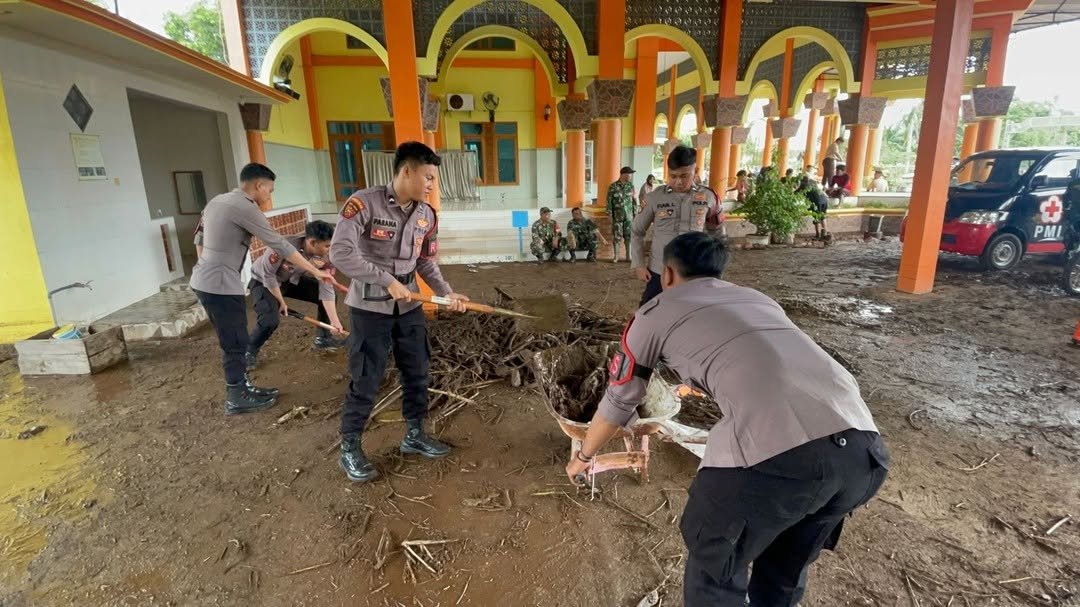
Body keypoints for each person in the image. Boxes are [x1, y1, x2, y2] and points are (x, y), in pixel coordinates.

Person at [566, 232, 888, 607]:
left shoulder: (653, 313)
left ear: (667, 274)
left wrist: (584, 456)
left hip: (778, 457)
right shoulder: (758, 299)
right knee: (783, 572)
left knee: (715, 568)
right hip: (863, 452)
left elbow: (622, 397)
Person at [329, 141, 470, 483]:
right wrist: (385, 279)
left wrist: (446, 294)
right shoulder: (363, 203)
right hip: (370, 308)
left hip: (409, 306)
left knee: (417, 370)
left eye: (434, 179)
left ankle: (415, 434)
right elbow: (339, 253)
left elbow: (425, 261)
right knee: (367, 376)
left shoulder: (426, 214)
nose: (432, 185)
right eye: (428, 177)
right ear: (406, 170)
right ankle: (349, 447)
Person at [190, 163, 332, 415]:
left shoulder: (216, 202)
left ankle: (243, 386)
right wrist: (315, 271)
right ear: (258, 185)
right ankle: (236, 396)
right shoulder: (245, 206)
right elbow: (279, 244)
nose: (269, 195)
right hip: (220, 284)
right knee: (235, 341)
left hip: (209, 279)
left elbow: (199, 239)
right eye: (270, 189)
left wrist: (205, 267)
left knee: (236, 337)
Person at [245, 220, 346, 370]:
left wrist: (334, 322)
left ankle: (323, 338)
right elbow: (268, 276)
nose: (328, 250)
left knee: (322, 294)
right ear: (312, 242)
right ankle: (248, 352)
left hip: (290, 281)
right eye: (326, 246)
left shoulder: (325, 255)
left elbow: (326, 286)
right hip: (263, 281)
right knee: (269, 320)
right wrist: (280, 301)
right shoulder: (283, 246)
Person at [631, 145, 723, 305]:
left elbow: (717, 232)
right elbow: (637, 231)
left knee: (692, 312)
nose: (678, 181)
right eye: (673, 176)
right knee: (648, 311)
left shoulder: (709, 197)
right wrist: (639, 264)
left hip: (695, 271)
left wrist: (715, 265)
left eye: (684, 175)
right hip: (660, 271)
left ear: (696, 170)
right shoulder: (654, 198)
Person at [607, 166, 637, 262]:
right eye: (629, 174)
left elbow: (634, 200)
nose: (631, 176)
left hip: (628, 216)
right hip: (617, 216)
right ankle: (616, 256)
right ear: (623, 174)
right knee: (617, 236)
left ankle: (628, 256)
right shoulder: (613, 186)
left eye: (631, 174)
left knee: (629, 236)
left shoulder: (631, 186)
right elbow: (609, 201)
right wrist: (609, 214)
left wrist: (635, 213)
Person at [799, 175, 831, 242]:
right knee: (822, 216)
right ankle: (825, 232)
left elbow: (797, 192)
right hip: (824, 199)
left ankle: (818, 234)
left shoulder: (803, 184)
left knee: (816, 217)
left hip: (817, 201)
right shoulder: (813, 182)